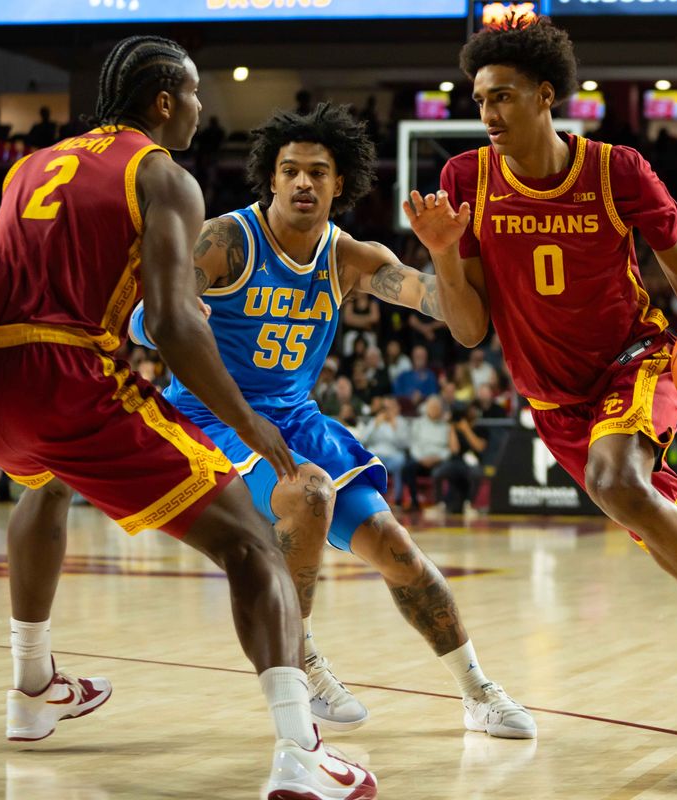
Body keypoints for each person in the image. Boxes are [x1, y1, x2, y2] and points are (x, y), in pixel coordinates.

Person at [0, 37, 376, 799]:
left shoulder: (29, 163)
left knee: (44, 486)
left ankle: (30, 687)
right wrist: (255, 426)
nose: (202, 111)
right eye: (196, 96)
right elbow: (172, 324)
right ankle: (304, 754)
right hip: (58, 374)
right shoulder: (162, 174)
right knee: (250, 542)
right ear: (165, 100)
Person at [405, 14, 677, 736]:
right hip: (553, 399)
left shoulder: (616, 170)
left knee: (617, 484)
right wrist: (445, 255)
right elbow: (470, 329)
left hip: (637, 363)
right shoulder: (465, 180)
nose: (487, 113)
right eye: (479, 98)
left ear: (547, 96)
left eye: (504, 96)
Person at [132, 105, 533, 739]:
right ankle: (302, 659)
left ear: (339, 183)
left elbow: (462, 324)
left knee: (401, 553)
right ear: (270, 178)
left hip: (297, 420)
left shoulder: (349, 257)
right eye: (290, 170)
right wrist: (183, 316)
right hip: (214, 418)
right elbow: (146, 314)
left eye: (318, 172)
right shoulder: (226, 240)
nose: (302, 183)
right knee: (308, 495)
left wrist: (445, 255)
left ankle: (478, 690)